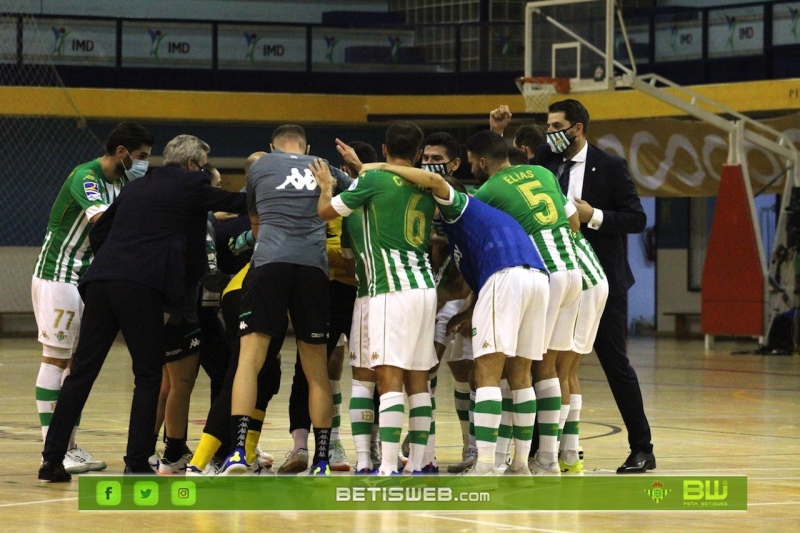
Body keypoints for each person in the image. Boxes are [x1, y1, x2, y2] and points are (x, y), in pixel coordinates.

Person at [38, 134, 247, 481]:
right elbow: (233, 205)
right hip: (140, 288)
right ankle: (136, 461)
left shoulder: (136, 187)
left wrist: (113, 262)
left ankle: (51, 459)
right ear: (194, 164)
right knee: (148, 375)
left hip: (101, 281)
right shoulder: (193, 185)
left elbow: (100, 233)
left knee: (82, 373)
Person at [363, 164, 550, 476]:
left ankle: (486, 466)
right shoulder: (462, 230)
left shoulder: (460, 206)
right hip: (535, 279)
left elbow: (436, 180)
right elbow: (475, 285)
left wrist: (382, 166)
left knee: (486, 372)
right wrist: (464, 314)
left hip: (507, 274)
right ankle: (520, 465)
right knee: (521, 376)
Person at [220, 125, 350, 476]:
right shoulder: (327, 167)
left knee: (250, 360)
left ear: (272, 146)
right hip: (312, 270)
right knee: (316, 369)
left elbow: (257, 227)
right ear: (306, 147)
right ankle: (322, 459)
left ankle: (237, 454)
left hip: (269, 266)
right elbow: (360, 194)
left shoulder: (260, 167)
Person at [311, 121, 438, 476]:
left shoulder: (373, 181)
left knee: (384, 377)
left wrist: (325, 187)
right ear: (417, 153)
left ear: (384, 151)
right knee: (418, 377)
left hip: (388, 290)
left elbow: (326, 213)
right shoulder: (424, 185)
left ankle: (384, 465)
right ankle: (418, 461)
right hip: (423, 287)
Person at [535, 98, 653, 474]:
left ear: (577, 128)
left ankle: (642, 448)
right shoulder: (543, 162)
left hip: (601, 280)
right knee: (546, 364)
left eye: (556, 127)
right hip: (555, 280)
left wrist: (594, 216)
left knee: (615, 364)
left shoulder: (611, 166)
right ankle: (546, 451)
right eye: (548, 127)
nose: (550, 134)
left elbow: (637, 219)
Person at [32, 122, 154, 474]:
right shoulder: (85, 176)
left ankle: (67, 445)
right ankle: (50, 449)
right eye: (141, 156)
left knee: (75, 364)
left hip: (86, 276)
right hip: (58, 273)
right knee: (56, 359)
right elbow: (102, 220)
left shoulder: (119, 182)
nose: (143, 163)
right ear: (122, 153)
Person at [466, 129, 582, 476]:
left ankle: (497, 460)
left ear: (483, 162)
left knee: (511, 368)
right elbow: (574, 222)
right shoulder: (544, 173)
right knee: (546, 368)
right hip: (573, 271)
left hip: (535, 270)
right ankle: (544, 459)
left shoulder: (487, 191)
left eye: (472, 163)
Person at [279, 141, 376, 474]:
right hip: (328, 288)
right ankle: (306, 445)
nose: (343, 175)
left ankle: (372, 443)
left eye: (351, 170)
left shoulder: (371, 192)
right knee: (314, 367)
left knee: (373, 368)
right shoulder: (323, 195)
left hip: (364, 290)